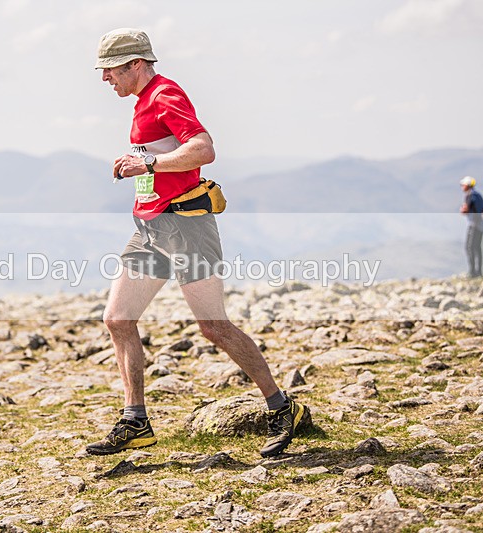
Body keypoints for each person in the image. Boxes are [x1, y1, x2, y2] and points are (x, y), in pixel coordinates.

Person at [86, 28, 311, 458]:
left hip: (187, 226)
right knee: (117, 319)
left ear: (136, 64)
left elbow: (203, 149)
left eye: (110, 70)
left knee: (213, 326)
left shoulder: (165, 94)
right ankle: (136, 421)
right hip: (152, 228)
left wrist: (147, 161)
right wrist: (142, 168)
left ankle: (283, 408)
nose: (104, 79)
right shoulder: (143, 102)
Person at [459, 176, 483, 278]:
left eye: (463, 185)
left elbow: (476, 212)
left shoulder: (472, 196)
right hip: (477, 225)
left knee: (470, 247)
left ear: (467, 185)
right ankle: (477, 271)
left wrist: (466, 211)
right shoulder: (474, 195)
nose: (462, 187)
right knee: (476, 248)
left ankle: (473, 272)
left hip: (475, 226)